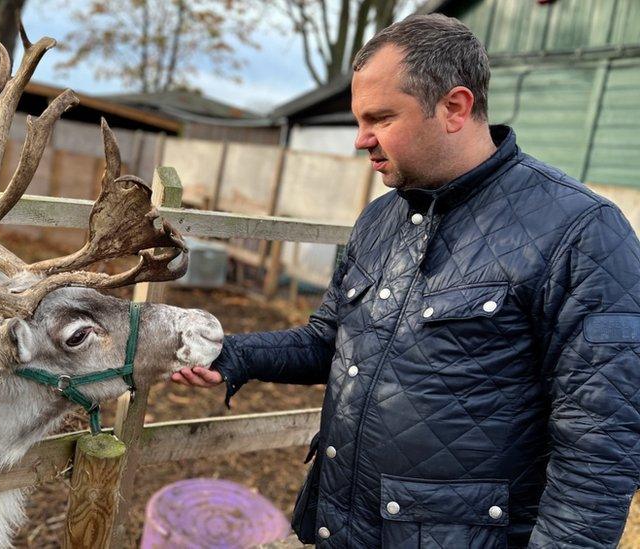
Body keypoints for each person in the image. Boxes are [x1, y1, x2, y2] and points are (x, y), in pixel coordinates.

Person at [172, 13, 640, 548]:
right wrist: (232, 355)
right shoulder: (380, 219)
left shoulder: (580, 232)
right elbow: (330, 340)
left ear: (454, 108)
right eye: (358, 119)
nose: (359, 140)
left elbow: (601, 446)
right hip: (343, 528)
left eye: (380, 118)